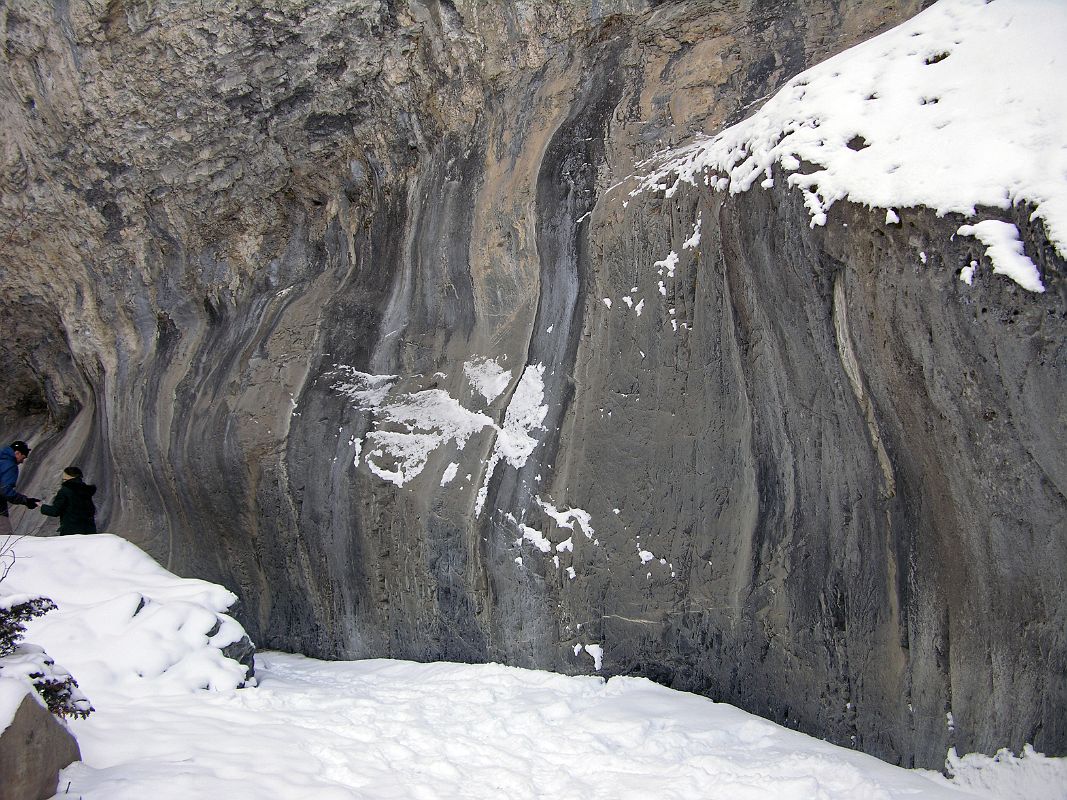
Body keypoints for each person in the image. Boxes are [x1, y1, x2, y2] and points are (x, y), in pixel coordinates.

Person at [40, 466, 97, 535]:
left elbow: (55, 511)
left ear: (68, 479)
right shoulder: (86, 490)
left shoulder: (65, 491)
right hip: (89, 531)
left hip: (71, 531)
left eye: (64, 479)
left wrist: (41, 506)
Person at [0, 441, 40, 537]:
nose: (22, 461)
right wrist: (26, 501)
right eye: (23, 457)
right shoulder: (9, 465)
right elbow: (5, 491)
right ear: (17, 453)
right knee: (6, 538)